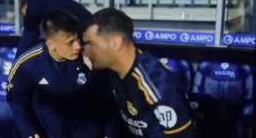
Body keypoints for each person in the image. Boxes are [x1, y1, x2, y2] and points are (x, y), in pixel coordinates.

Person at [82, 8, 198, 138]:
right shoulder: (112, 73)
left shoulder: (157, 85)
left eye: (91, 44)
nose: (86, 52)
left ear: (116, 43)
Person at [7, 10, 115, 138]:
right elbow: (16, 97)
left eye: (77, 39)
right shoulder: (28, 63)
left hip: (88, 130)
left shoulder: (93, 58)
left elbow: (109, 98)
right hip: (50, 130)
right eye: (70, 43)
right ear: (50, 45)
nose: (77, 47)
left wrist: (109, 133)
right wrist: (29, 131)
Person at [15, 0, 93, 60]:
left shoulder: (34, 3)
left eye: (25, 14)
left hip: (82, 28)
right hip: (90, 25)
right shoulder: (50, 0)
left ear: (26, 5)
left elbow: (29, 36)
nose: (27, 17)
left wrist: (17, 63)